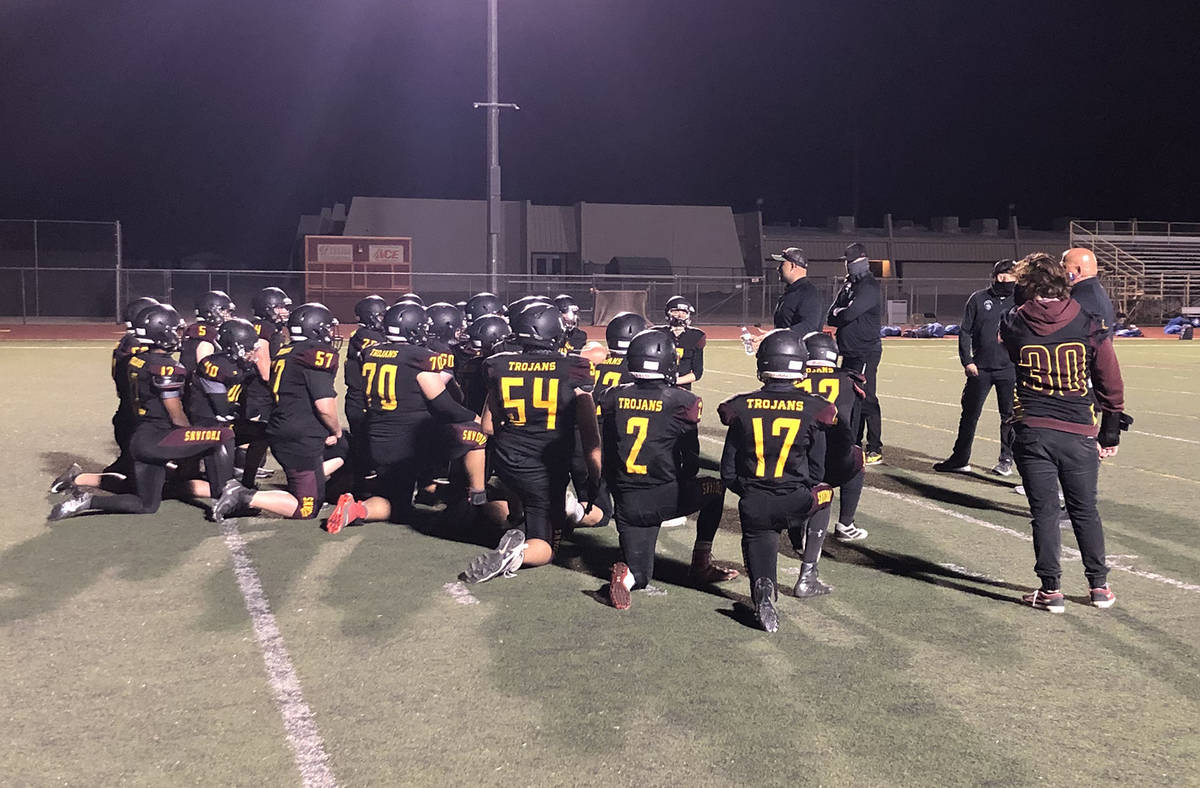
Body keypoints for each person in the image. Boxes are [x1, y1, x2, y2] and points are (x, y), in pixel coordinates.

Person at [999, 253, 1130, 613]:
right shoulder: (1087, 321)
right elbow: (1110, 380)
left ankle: (1051, 590)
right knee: (1085, 510)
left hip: (1034, 430)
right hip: (1078, 430)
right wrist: (1111, 433)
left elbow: (1008, 343)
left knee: (1044, 513)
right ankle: (1099, 587)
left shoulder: (1014, 322)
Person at [50, 304, 236, 520]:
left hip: (141, 437)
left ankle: (86, 501)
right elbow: (176, 416)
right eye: (174, 330)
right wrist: (193, 437)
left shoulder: (138, 361)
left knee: (146, 504)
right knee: (223, 435)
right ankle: (228, 497)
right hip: (159, 437)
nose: (178, 334)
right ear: (163, 333)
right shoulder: (168, 368)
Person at [460, 302, 601, 583]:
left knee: (520, 499)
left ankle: (512, 520)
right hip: (545, 470)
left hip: (507, 461)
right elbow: (589, 437)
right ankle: (516, 555)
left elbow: (487, 426)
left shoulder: (497, 365)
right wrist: (594, 479)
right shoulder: (575, 368)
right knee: (548, 547)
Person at [322, 302, 487, 532]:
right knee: (476, 435)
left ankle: (357, 510)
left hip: (378, 441)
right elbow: (444, 406)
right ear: (413, 329)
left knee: (397, 506)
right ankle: (476, 501)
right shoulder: (420, 358)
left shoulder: (371, 352)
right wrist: (475, 417)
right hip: (412, 444)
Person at [598, 330, 733, 610]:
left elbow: (608, 449)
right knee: (717, 490)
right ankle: (701, 564)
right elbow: (690, 461)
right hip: (664, 496)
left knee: (642, 576)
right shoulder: (682, 402)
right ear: (669, 363)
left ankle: (625, 578)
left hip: (626, 501)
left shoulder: (612, 397)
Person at [718, 329, 835, 632]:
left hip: (754, 501)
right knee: (825, 494)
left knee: (760, 537)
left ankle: (764, 589)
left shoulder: (740, 406)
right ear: (799, 365)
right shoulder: (815, 407)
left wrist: (749, 490)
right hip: (796, 499)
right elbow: (818, 471)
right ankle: (807, 574)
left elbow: (728, 470)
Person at [212, 303, 343, 522]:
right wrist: (336, 430)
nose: (330, 332)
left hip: (285, 429)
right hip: (300, 438)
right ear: (316, 328)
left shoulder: (285, 352)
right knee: (306, 510)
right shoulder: (315, 354)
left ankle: (313, 481)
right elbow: (324, 405)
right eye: (327, 327)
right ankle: (244, 495)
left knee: (344, 451)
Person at [934, 260, 1018, 476]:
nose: (1010, 279)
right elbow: (965, 331)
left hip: (1010, 369)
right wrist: (967, 360)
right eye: (1007, 275)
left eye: (1013, 275)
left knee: (1009, 416)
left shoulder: (1019, 300)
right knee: (969, 414)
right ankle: (960, 458)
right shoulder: (978, 298)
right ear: (998, 276)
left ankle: (1006, 459)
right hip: (980, 369)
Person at [793, 331, 868, 546]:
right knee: (857, 454)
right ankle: (845, 524)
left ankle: (794, 518)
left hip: (793, 461)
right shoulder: (848, 380)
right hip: (833, 462)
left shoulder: (795, 379)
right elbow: (850, 432)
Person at [826, 242, 883, 464]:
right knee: (850, 399)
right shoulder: (849, 286)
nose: (848, 267)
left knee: (867, 397)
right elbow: (831, 314)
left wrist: (843, 311)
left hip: (866, 351)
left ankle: (875, 447)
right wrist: (842, 311)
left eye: (850, 262)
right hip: (848, 351)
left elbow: (849, 314)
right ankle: (854, 442)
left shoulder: (869, 286)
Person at [344, 295, 388, 494]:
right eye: (381, 314)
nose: (384, 318)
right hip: (361, 400)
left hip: (363, 398)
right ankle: (362, 487)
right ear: (370, 316)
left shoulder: (366, 333)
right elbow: (377, 355)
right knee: (366, 445)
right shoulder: (365, 335)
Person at [768, 247, 824, 339]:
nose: (778, 268)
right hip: (787, 349)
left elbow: (809, 327)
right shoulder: (791, 292)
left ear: (793, 266)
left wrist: (778, 335)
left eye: (782, 263)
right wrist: (771, 335)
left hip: (799, 352)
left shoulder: (809, 293)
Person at [651, 295, 706, 389]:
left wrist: (675, 381)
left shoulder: (696, 336)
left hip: (682, 388)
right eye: (676, 312)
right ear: (668, 313)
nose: (680, 315)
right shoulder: (656, 333)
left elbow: (697, 373)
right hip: (658, 386)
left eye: (683, 312)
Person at [1061, 248, 1116, 334]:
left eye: (1064, 267)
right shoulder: (1095, 290)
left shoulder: (1082, 296)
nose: (1060, 272)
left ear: (1078, 270)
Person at [181, 290, 235, 373]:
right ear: (210, 312)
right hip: (199, 383)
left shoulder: (197, 329)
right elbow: (205, 371)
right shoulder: (207, 334)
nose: (228, 316)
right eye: (225, 311)